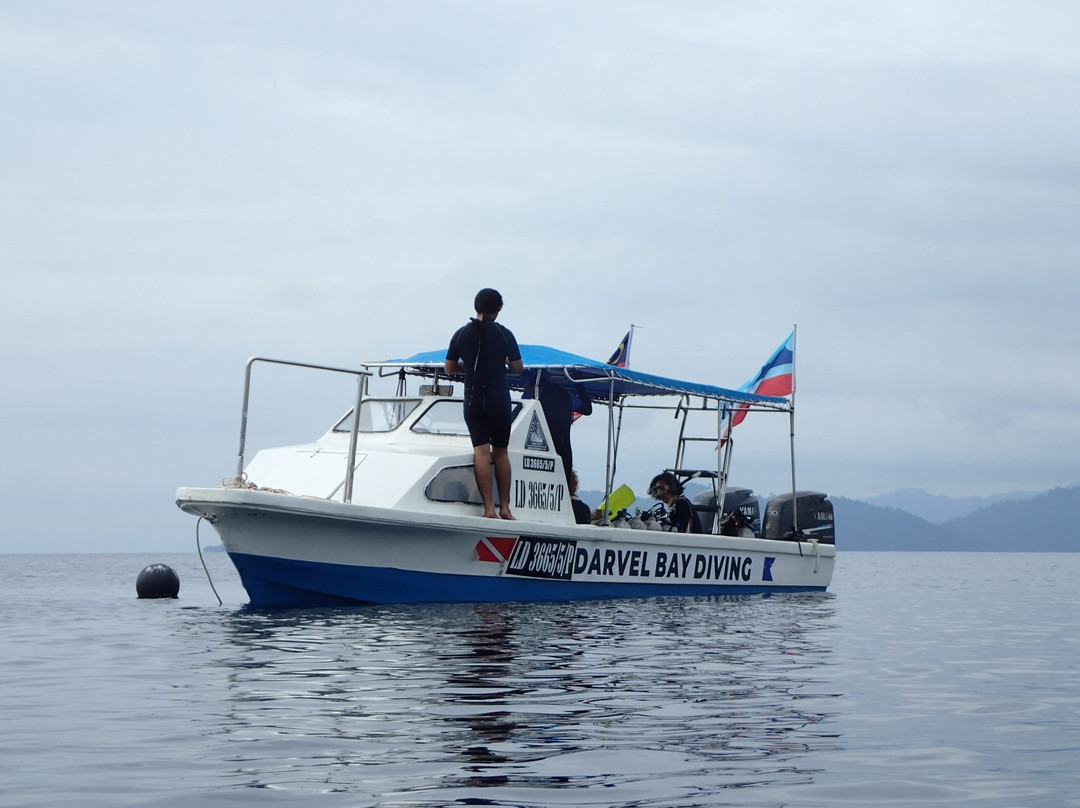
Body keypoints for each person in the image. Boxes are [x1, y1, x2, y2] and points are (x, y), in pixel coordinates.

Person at [445, 288, 524, 519]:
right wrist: (504, 361)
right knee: (500, 452)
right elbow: (518, 368)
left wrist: (469, 366)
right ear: (497, 310)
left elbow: (449, 368)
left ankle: (488, 508)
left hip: (473, 398)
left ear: (476, 306)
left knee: (481, 452)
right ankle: (505, 508)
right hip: (497, 397)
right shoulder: (504, 334)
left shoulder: (461, 334)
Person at [524, 370, 592, 488]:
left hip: (540, 449)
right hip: (564, 449)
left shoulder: (531, 394)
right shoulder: (565, 394)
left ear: (530, 381)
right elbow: (587, 409)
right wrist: (578, 383)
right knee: (563, 486)